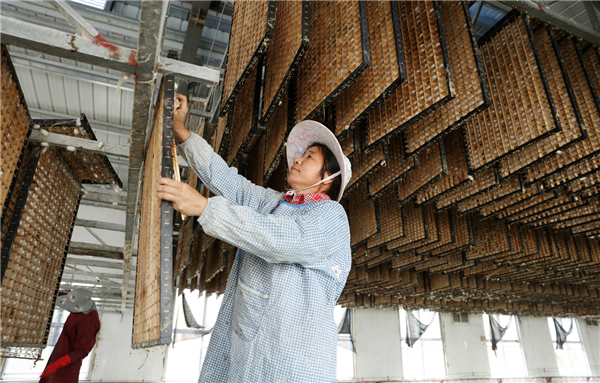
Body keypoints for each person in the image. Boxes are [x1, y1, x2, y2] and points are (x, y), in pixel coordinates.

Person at [156, 94, 352, 382]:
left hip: (294, 361)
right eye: (301, 154)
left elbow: (281, 239)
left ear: (329, 178)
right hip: (248, 354)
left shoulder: (332, 217)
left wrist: (205, 208)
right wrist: (182, 132)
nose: (296, 159)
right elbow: (228, 181)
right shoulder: (275, 203)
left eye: (309, 157)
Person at [39, 289, 101, 383]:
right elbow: (69, 300)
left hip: (66, 366)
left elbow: (81, 351)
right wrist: (50, 291)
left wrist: (58, 364)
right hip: (59, 354)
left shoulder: (89, 322)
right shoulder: (80, 306)